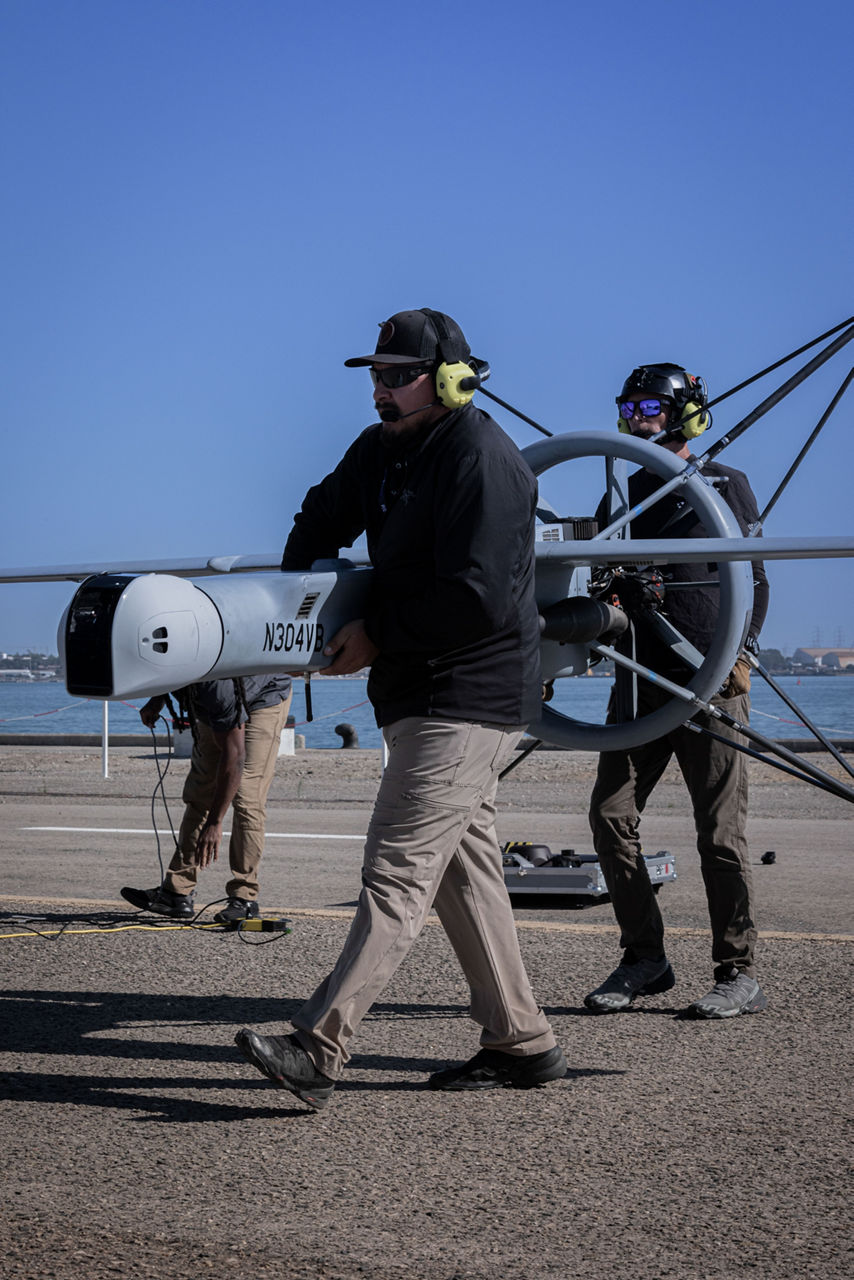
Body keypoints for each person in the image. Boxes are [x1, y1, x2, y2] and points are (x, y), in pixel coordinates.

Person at [235, 308, 566, 1109]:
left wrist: (377, 633)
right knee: (463, 874)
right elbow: (319, 516)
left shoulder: (484, 460)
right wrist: (303, 607)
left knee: (397, 872)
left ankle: (318, 1047)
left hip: (469, 695)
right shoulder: (380, 449)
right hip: (415, 692)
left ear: (451, 380)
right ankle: (522, 1041)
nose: (381, 391)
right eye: (375, 377)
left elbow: (479, 599)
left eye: (398, 376)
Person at [584, 363, 770, 1019]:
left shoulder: (725, 484)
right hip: (639, 685)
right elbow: (598, 580)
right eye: (629, 409)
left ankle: (737, 971)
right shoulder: (624, 491)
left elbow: (756, 578)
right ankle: (645, 958)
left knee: (720, 835)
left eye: (651, 409)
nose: (638, 420)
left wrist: (741, 653)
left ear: (689, 414)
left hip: (711, 682)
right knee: (610, 818)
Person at [121, 675, 292, 924]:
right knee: (200, 790)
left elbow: (235, 757)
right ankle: (176, 892)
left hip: (263, 696)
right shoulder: (179, 665)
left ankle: (244, 898)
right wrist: (158, 699)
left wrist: (215, 822)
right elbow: (168, 672)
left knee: (246, 796)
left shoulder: (216, 688)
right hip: (214, 702)